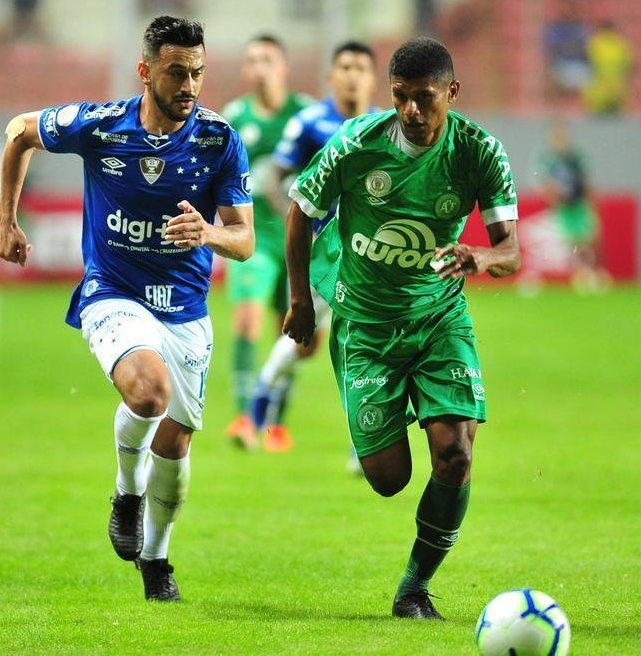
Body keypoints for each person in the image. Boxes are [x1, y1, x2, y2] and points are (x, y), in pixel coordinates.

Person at [0, 16, 254, 602]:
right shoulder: (102, 125)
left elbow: (244, 241)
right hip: (113, 292)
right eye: (177, 72)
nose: (189, 85)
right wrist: (7, 220)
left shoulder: (218, 140)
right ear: (145, 71)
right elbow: (19, 131)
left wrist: (208, 234)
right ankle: (126, 493)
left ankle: (156, 560)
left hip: (185, 309)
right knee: (148, 392)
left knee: (176, 446)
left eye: (197, 73)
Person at [282, 37, 521, 621]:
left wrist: (481, 257)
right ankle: (401, 414)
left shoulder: (478, 151)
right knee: (389, 479)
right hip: (364, 326)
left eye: (425, 97)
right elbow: (299, 213)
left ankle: (414, 589)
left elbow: (511, 250)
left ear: (452, 92)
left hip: (440, 318)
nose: (411, 110)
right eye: (400, 96)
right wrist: (301, 301)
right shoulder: (357, 143)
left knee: (456, 455)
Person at [249, 41, 379, 453]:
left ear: (373, 79)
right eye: (345, 67)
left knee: (367, 344)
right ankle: (261, 398)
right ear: (331, 77)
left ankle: (365, 445)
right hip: (327, 252)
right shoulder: (310, 123)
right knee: (304, 335)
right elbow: (275, 179)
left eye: (361, 67)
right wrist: (299, 225)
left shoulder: (385, 126)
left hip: (374, 256)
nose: (353, 75)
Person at [220, 35, 315, 450]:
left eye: (267, 59)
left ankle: (276, 421)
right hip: (252, 235)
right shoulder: (234, 117)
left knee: (291, 331)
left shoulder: (306, 113)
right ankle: (245, 417)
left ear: (283, 67)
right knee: (247, 320)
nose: (259, 68)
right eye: (251, 60)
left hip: (297, 237)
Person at [532, 122, 608, 292]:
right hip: (564, 207)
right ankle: (582, 274)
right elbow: (543, 185)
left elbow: (585, 180)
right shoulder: (547, 161)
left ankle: (596, 272)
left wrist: (591, 201)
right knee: (573, 242)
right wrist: (553, 199)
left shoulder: (575, 158)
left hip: (579, 204)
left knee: (590, 239)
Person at [583, 20, 634, 116]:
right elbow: (629, 64)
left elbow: (587, 61)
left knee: (598, 114)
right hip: (617, 84)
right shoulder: (621, 43)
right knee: (615, 114)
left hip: (599, 84)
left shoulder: (594, 42)